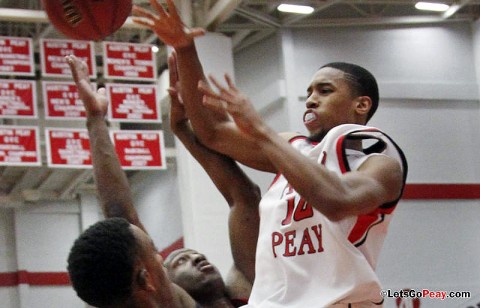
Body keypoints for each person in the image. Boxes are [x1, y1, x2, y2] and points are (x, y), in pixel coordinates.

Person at [132, 0, 408, 307]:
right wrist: (185, 49)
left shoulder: (381, 163)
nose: (311, 101)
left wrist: (262, 132)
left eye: (325, 91)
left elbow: (337, 200)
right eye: (309, 93)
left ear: (361, 104)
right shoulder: (293, 148)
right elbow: (212, 132)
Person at [65, 54, 260, 307]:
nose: (197, 259)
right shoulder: (171, 302)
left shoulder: (244, 288)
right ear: (150, 280)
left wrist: (182, 128)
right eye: (166, 260)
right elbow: (122, 215)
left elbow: (245, 197)